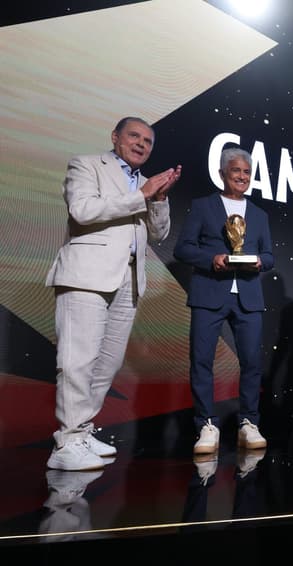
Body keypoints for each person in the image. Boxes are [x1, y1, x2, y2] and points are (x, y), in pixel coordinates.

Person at [45, 117, 180, 471]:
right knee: (78, 361)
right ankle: (67, 441)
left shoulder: (142, 183)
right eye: (134, 136)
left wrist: (159, 199)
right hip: (86, 276)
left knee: (107, 364)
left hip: (127, 281)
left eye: (148, 141)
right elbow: (83, 210)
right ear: (115, 137)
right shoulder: (87, 164)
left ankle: (83, 431)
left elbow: (159, 234)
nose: (141, 144)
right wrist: (141, 195)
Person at [174, 147, 274, 456]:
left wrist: (260, 261)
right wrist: (211, 258)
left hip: (248, 297)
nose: (242, 177)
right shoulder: (203, 207)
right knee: (202, 361)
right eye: (236, 171)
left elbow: (269, 255)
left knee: (252, 364)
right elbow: (183, 249)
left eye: (247, 172)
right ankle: (206, 424)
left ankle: (248, 423)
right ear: (222, 174)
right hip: (209, 293)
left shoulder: (259, 214)